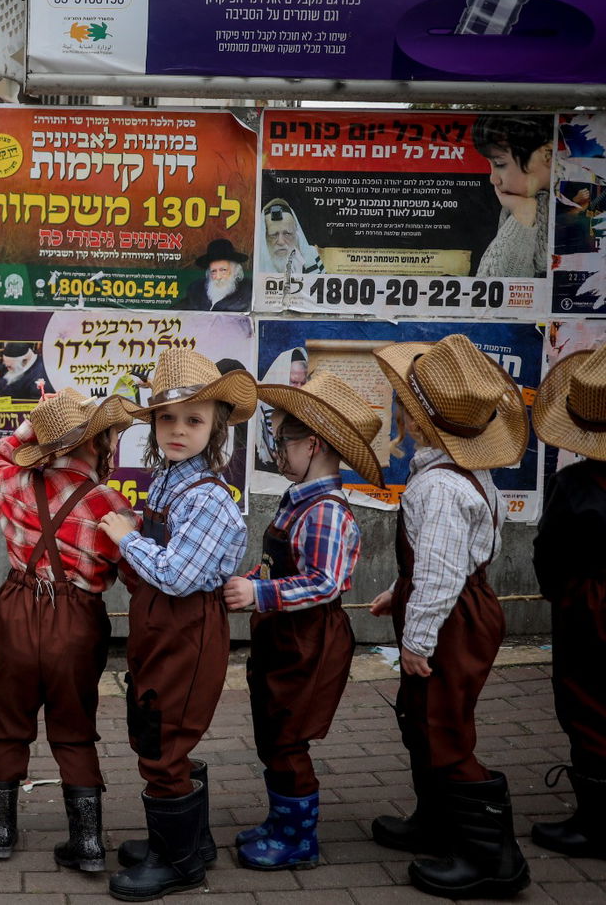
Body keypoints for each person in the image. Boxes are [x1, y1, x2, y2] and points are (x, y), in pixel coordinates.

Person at [367, 333, 530, 898]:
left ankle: (492, 858)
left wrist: (417, 639)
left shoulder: (436, 486)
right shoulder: (459, 475)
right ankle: (436, 822)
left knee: (444, 729)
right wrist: (398, 588)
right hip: (455, 605)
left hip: (452, 620)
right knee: (421, 719)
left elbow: (440, 572)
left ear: (416, 424)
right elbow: (442, 556)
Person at [98, 348, 256, 901]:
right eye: (167, 418)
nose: (178, 430)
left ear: (215, 428)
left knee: (165, 739)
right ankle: (192, 842)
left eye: (194, 419)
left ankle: (179, 863)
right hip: (161, 627)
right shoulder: (168, 480)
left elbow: (176, 574)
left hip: (187, 630)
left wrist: (124, 537)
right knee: (155, 724)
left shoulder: (209, 496)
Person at [220, 372, 383, 870]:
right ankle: (281, 820)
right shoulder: (300, 502)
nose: (276, 449)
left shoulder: (326, 511)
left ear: (311, 444)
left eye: (282, 440)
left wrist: (259, 592)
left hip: (308, 641)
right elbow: (279, 565)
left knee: (288, 735)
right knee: (272, 728)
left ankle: (298, 839)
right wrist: (250, 579)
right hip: (283, 634)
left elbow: (324, 583)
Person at [0, 389, 136, 869]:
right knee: (73, 727)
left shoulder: (16, 482)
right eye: (107, 436)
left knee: (7, 722)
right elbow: (131, 569)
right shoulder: (112, 505)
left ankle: (3, 833)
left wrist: (36, 427)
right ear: (94, 444)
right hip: (77, 618)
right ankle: (88, 844)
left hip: (16, 609)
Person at [530, 343, 606, 860]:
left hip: (588, 607)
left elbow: (548, 555)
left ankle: (596, 823)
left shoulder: (574, 485)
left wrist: (562, 596)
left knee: (586, 702)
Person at [473, 114, 554, 278]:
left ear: (546, 155)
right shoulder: (517, 203)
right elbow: (491, 287)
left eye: (500, 164)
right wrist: (522, 214)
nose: (493, 179)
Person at [177, 239, 251, 312]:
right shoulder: (197, 291)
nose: (218, 277)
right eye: (214, 271)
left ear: (235, 271)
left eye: (223, 270)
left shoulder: (247, 293)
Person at [261, 199, 323, 278]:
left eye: (287, 233)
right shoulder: (259, 262)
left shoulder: (311, 255)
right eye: (273, 235)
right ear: (264, 237)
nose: (281, 242)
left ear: (296, 234)